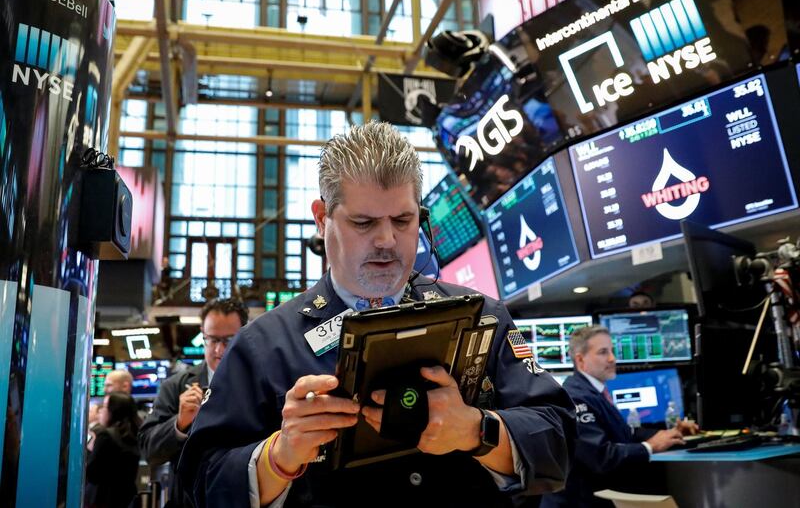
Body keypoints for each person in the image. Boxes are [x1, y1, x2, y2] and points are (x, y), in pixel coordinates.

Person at [178, 121, 576, 507]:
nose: (387, 240)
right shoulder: (263, 345)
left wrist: (477, 430)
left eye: (403, 221)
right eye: (364, 223)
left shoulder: (483, 318)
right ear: (322, 218)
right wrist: (279, 456)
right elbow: (200, 480)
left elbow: (558, 442)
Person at [540, 326, 698, 508]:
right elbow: (601, 457)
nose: (612, 359)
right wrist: (650, 447)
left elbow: (625, 432)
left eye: (612, 351)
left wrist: (670, 433)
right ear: (581, 360)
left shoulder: (593, 392)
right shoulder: (574, 397)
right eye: (603, 352)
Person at [138, 297, 249, 507]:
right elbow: (149, 450)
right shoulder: (176, 386)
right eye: (213, 340)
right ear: (203, 335)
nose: (220, 350)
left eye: (229, 340)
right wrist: (179, 424)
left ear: (244, 334)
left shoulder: (258, 383)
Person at [85, 391, 142, 508]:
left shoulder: (104, 435)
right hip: (125, 499)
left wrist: (88, 450)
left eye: (105, 407)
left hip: (101, 500)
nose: (101, 411)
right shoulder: (135, 435)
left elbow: (91, 473)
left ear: (114, 411)